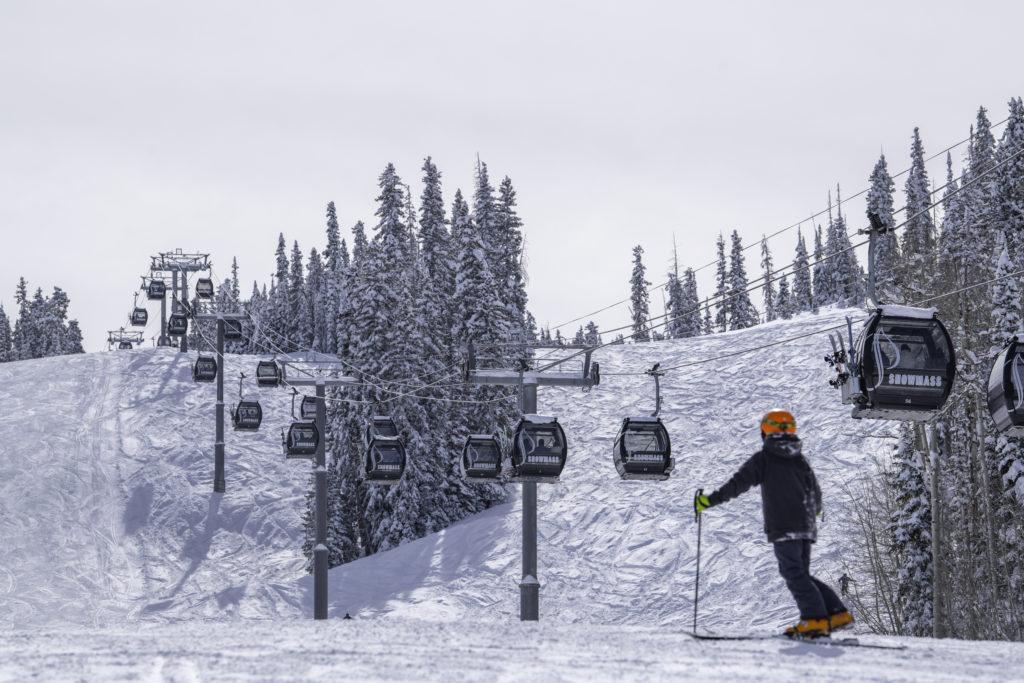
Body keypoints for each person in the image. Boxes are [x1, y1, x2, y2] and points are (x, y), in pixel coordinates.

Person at [693, 409, 853, 638]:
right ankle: (836, 614)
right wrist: (813, 513)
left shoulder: (765, 459)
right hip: (805, 526)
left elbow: (738, 484)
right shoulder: (800, 460)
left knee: (793, 573)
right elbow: (815, 491)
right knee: (801, 574)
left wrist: (709, 501)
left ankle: (814, 619)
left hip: (785, 526)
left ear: (766, 430)